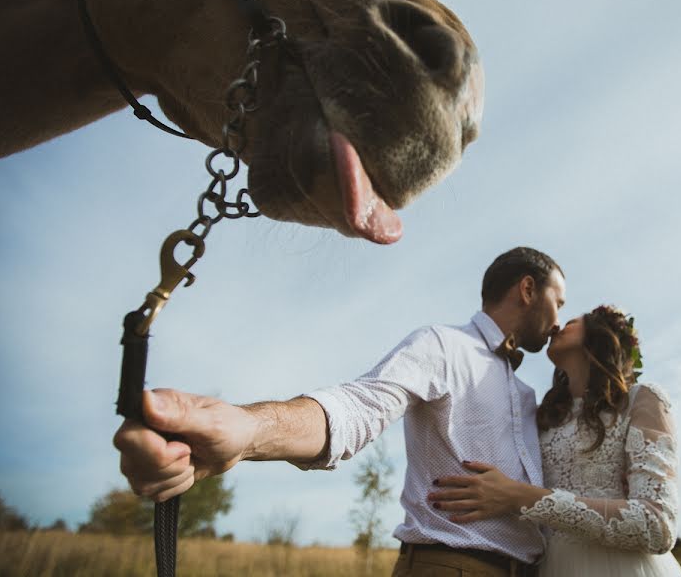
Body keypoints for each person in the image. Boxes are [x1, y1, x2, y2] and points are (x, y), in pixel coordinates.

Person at [114, 246, 566, 577]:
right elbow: (356, 409)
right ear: (527, 289)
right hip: (454, 567)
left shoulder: (527, 395)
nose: (560, 318)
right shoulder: (443, 346)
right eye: (558, 301)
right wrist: (248, 427)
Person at [428, 305, 681, 576]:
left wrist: (519, 496)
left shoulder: (642, 399)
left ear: (598, 336)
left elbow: (658, 527)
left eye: (571, 322)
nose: (556, 327)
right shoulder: (544, 417)